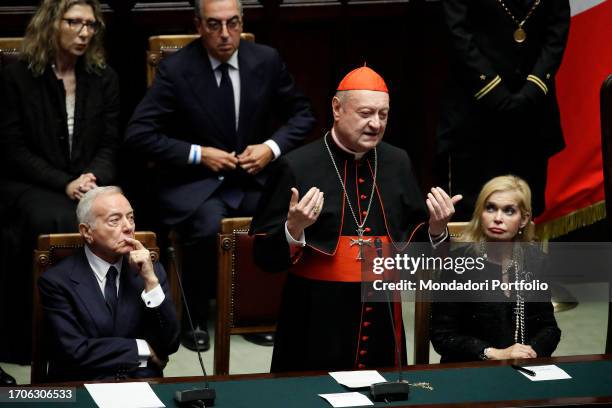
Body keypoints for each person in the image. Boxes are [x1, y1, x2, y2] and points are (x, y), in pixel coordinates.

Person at [125, 0, 315, 351]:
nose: (225, 34)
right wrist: (199, 154)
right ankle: (194, 319)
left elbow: (303, 114)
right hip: (196, 183)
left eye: (233, 23)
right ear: (198, 25)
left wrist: (270, 148)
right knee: (206, 225)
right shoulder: (177, 69)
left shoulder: (265, 60)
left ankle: (252, 314)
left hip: (253, 178)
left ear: (242, 21)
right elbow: (139, 134)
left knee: (274, 221)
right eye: (214, 25)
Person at [250, 66, 460, 372]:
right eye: (365, 113)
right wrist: (293, 229)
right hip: (316, 318)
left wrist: (437, 230)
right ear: (337, 108)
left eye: (383, 115)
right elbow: (263, 257)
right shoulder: (296, 166)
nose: (376, 124)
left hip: (383, 318)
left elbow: (417, 260)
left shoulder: (397, 161)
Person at [0, 0, 119, 363]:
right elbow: (12, 149)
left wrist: (89, 180)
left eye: (91, 25)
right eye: (74, 22)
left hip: (89, 180)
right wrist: (66, 183)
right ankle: (36, 337)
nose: (84, 32)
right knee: (52, 220)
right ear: (51, 24)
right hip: (30, 182)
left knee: (115, 216)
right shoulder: (17, 76)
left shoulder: (104, 77)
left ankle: (101, 333)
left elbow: (111, 143)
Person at [436, 0, 570, 219]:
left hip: (531, 113)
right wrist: (494, 91)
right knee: (471, 213)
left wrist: (531, 91)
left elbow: (557, 32)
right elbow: (456, 30)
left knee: (525, 210)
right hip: (474, 112)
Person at [38, 187, 180, 381]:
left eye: (130, 217)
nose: (128, 227)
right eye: (115, 220)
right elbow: (75, 352)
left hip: (139, 380)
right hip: (82, 383)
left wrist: (151, 282)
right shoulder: (57, 281)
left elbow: (169, 344)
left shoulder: (150, 271)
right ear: (87, 232)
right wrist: (142, 349)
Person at [430, 175, 561, 363]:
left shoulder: (536, 261)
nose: (498, 218)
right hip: (470, 369)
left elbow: (549, 328)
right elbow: (442, 336)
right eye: (490, 208)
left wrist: (529, 352)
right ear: (480, 214)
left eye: (509, 211)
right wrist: (494, 354)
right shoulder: (458, 263)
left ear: (523, 219)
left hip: (523, 366)